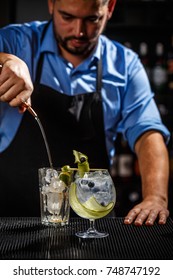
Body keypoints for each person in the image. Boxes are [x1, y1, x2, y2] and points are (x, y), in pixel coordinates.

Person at [0, 0, 170, 224]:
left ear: (109, 9)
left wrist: (156, 198)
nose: (79, 31)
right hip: (10, 218)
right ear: (51, 4)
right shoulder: (15, 41)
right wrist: (5, 59)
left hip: (91, 218)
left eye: (92, 19)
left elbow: (148, 134)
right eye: (67, 18)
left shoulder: (125, 64)